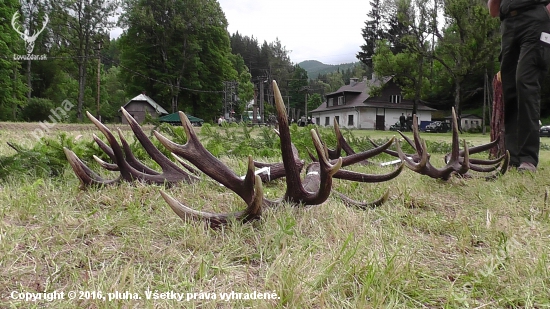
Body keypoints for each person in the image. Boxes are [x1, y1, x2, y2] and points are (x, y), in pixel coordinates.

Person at [488, 0, 550, 172]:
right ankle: (512, 158)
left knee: (525, 83)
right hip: (508, 22)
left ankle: (528, 159)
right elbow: (493, 11)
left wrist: (546, 13)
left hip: (535, 18)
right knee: (509, 89)